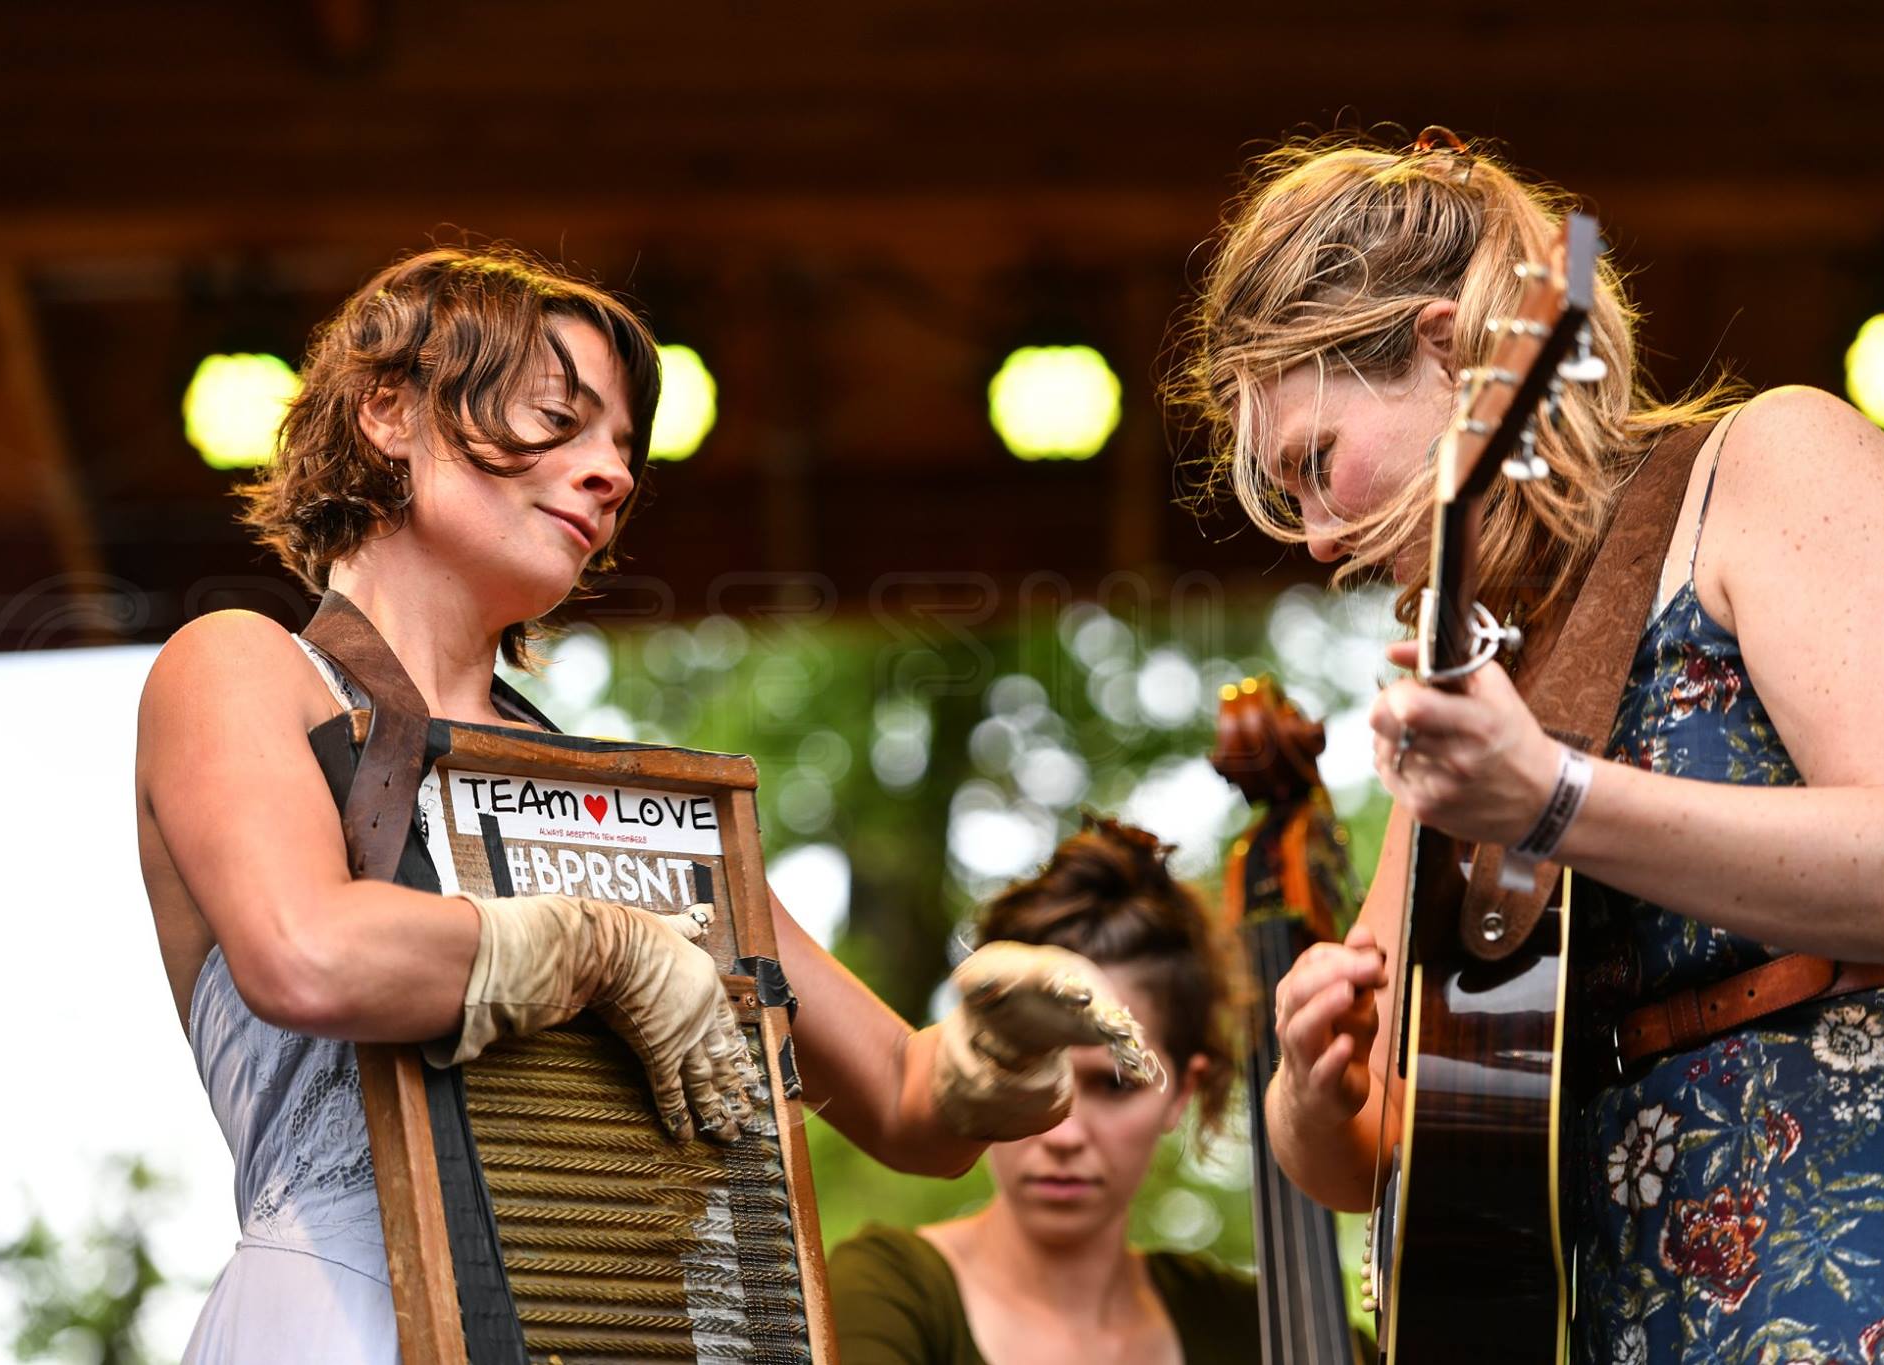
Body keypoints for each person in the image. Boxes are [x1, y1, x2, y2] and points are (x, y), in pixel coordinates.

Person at [135, 245, 1159, 1364]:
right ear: (388, 409)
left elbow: (910, 1104)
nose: (611, 474)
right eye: (557, 418)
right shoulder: (240, 667)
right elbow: (307, 954)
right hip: (340, 1326)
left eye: (622, 447)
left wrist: (991, 1055)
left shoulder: (631, 813)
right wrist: (601, 947)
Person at [1170, 130, 1884, 1361]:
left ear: (1447, 349)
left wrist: (1551, 795)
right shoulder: (1483, 677)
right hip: (1636, 1316)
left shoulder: (1771, 461)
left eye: (1315, 462)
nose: (1312, 536)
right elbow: (1378, 1147)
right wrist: (1310, 1083)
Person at [829, 817, 1259, 1365]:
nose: (1064, 1133)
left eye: (1115, 1083)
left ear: (1181, 1092)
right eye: (1031, 1067)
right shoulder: (887, 1291)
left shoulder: (1244, 1322)